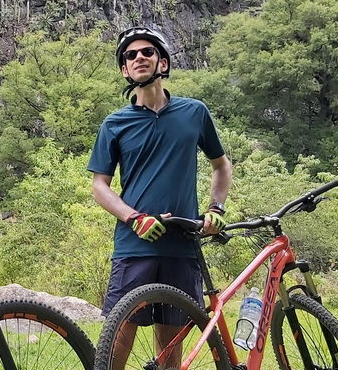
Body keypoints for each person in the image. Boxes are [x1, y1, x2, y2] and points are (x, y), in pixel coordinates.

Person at [88, 26, 232, 369]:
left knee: (171, 342)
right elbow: (100, 186)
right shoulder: (114, 124)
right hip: (133, 245)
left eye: (147, 52)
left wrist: (216, 207)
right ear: (125, 69)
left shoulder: (194, 112)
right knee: (119, 336)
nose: (139, 58)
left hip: (182, 244)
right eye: (131, 55)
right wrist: (133, 218)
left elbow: (221, 167)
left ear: (162, 62)